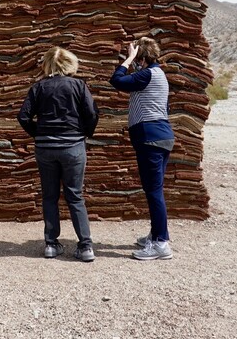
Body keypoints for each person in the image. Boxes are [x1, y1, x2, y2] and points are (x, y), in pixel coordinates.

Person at [18, 46, 99, 262]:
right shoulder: (78, 86)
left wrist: (39, 135)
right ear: (69, 64)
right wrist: (84, 133)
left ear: (47, 65)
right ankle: (85, 246)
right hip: (73, 146)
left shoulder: (39, 88)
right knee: (75, 195)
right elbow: (92, 113)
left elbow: (23, 116)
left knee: (50, 196)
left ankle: (51, 245)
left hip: (45, 149)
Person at [110, 37, 175, 260]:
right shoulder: (157, 75)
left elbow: (117, 81)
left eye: (136, 58)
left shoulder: (147, 74)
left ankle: (161, 244)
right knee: (153, 189)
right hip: (159, 136)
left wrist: (128, 59)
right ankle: (157, 234)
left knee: (154, 191)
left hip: (151, 138)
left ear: (142, 58)